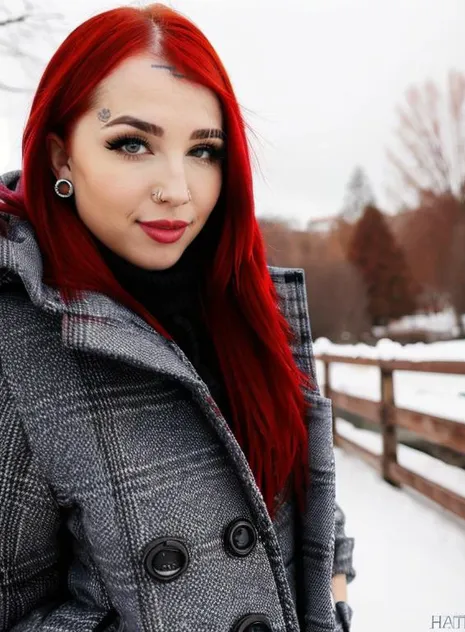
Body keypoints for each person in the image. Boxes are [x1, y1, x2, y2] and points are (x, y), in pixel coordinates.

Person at [0, 4, 355, 631]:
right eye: (131, 143)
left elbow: (289, 479)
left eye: (204, 150)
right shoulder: (19, 341)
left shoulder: (247, 306)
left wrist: (334, 585)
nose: (178, 189)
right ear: (60, 158)